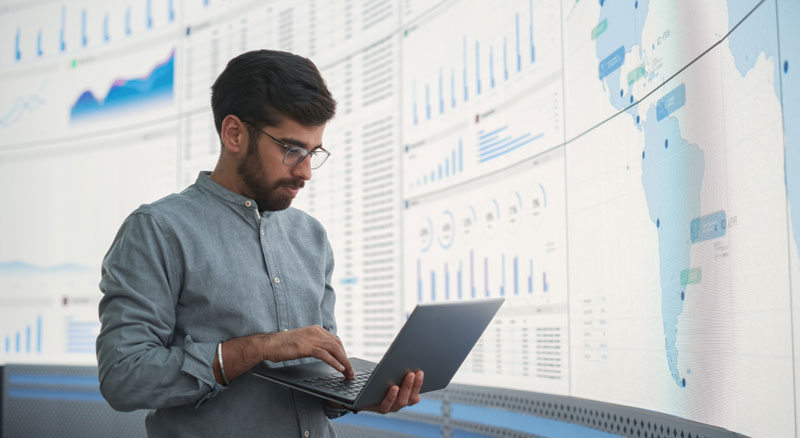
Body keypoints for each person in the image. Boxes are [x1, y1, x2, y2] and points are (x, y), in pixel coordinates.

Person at [96, 49, 423, 437]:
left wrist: (354, 395)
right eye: (291, 150)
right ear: (234, 133)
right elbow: (123, 377)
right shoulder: (158, 230)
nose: (305, 172)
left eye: (312, 152)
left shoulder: (312, 237)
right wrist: (260, 348)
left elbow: (316, 379)